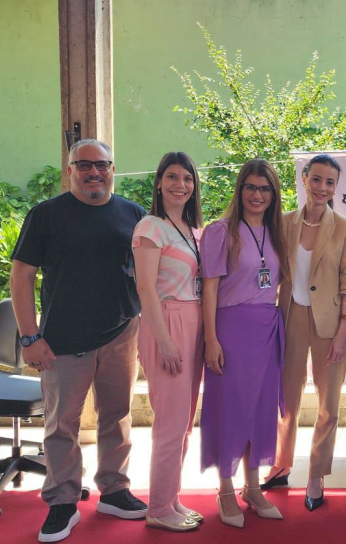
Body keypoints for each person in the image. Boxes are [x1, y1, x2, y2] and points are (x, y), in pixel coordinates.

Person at [9, 139, 148, 542]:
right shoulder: (46, 216)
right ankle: (62, 501)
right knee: (61, 426)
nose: (93, 172)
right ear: (69, 170)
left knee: (117, 416)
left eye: (101, 165)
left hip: (121, 333)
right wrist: (29, 336)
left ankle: (115, 489)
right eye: (83, 165)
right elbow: (21, 276)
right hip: (61, 340)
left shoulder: (132, 214)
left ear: (112, 169)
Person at [263, 155, 346, 511]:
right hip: (289, 319)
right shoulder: (283, 223)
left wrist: (342, 329)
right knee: (285, 401)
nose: (322, 188)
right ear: (304, 180)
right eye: (316, 179)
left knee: (328, 404)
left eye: (330, 182)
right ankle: (281, 463)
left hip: (330, 323)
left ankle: (317, 474)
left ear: (336, 187)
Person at [200, 159, 290, 528]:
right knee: (229, 409)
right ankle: (225, 488)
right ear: (240, 190)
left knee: (259, 410)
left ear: (273, 194)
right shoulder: (221, 231)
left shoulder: (277, 232)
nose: (257, 195)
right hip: (231, 330)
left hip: (267, 330)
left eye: (265, 188)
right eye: (250, 187)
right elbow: (209, 288)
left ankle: (252, 487)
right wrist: (211, 339)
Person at [131, 152, 205, 531]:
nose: (181, 185)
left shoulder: (194, 231)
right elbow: (145, 287)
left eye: (187, 178)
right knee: (170, 424)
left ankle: (171, 499)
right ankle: (158, 508)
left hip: (193, 322)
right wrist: (165, 341)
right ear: (159, 183)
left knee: (185, 424)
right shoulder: (150, 227)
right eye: (172, 177)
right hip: (167, 322)